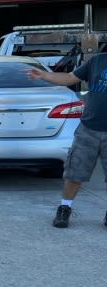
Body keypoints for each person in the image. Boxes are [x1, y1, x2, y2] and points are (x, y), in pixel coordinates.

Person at [26, 52, 107, 228]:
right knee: (74, 172)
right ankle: (64, 209)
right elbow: (70, 78)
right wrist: (44, 75)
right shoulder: (97, 60)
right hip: (89, 128)